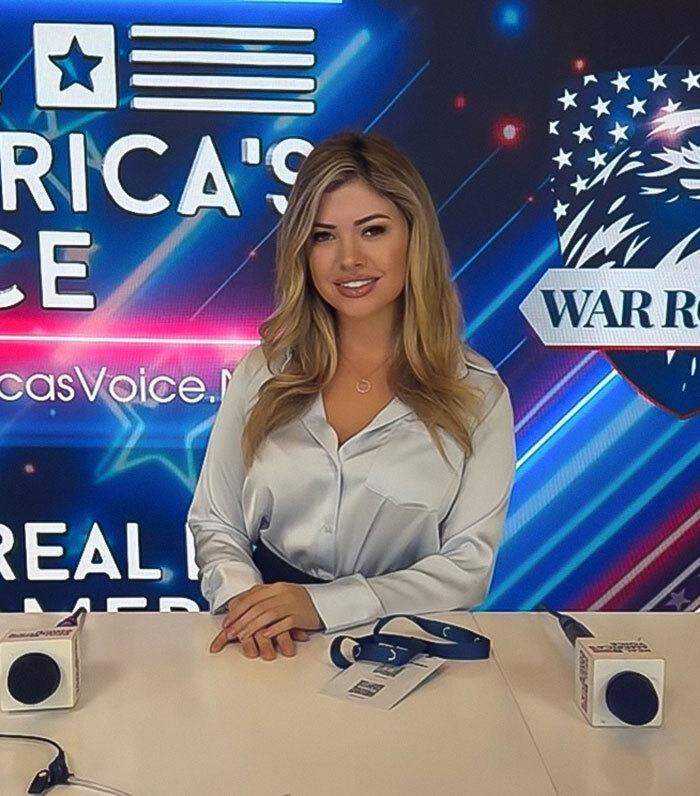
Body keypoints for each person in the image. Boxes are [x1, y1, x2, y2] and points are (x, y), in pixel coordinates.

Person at [187, 130, 516, 661]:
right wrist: (246, 604)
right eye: (323, 236)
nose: (349, 259)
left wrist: (323, 605)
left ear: (413, 239)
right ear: (303, 252)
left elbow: (467, 567)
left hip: (411, 648)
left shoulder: (476, 393)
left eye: (373, 231)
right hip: (269, 647)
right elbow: (216, 521)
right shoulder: (263, 373)